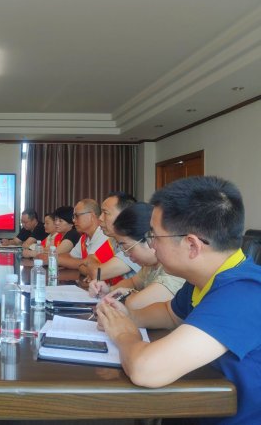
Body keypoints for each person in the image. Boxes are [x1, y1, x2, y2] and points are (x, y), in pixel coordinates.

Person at [96, 176, 261, 424]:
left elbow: (145, 369)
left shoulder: (244, 293)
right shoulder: (204, 279)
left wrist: (123, 333)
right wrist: (126, 316)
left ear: (192, 245)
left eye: (153, 235)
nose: (151, 245)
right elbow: (170, 314)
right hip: (196, 408)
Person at [88, 202, 184, 309]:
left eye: (127, 247)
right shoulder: (150, 265)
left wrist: (128, 294)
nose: (126, 254)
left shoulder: (174, 267)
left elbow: (135, 304)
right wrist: (109, 290)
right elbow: (133, 282)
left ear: (150, 238)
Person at [80, 192, 140, 285]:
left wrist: (94, 271)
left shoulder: (135, 243)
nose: (100, 218)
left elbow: (97, 274)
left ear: (124, 216)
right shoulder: (113, 240)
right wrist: (95, 270)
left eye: (105, 213)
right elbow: (86, 262)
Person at [56, 199, 115, 271]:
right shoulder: (84, 237)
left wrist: (55, 259)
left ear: (91, 216)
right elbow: (71, 257)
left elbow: (89, 265)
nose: (73, 220)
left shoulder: (103, 234)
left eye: (77, 216)